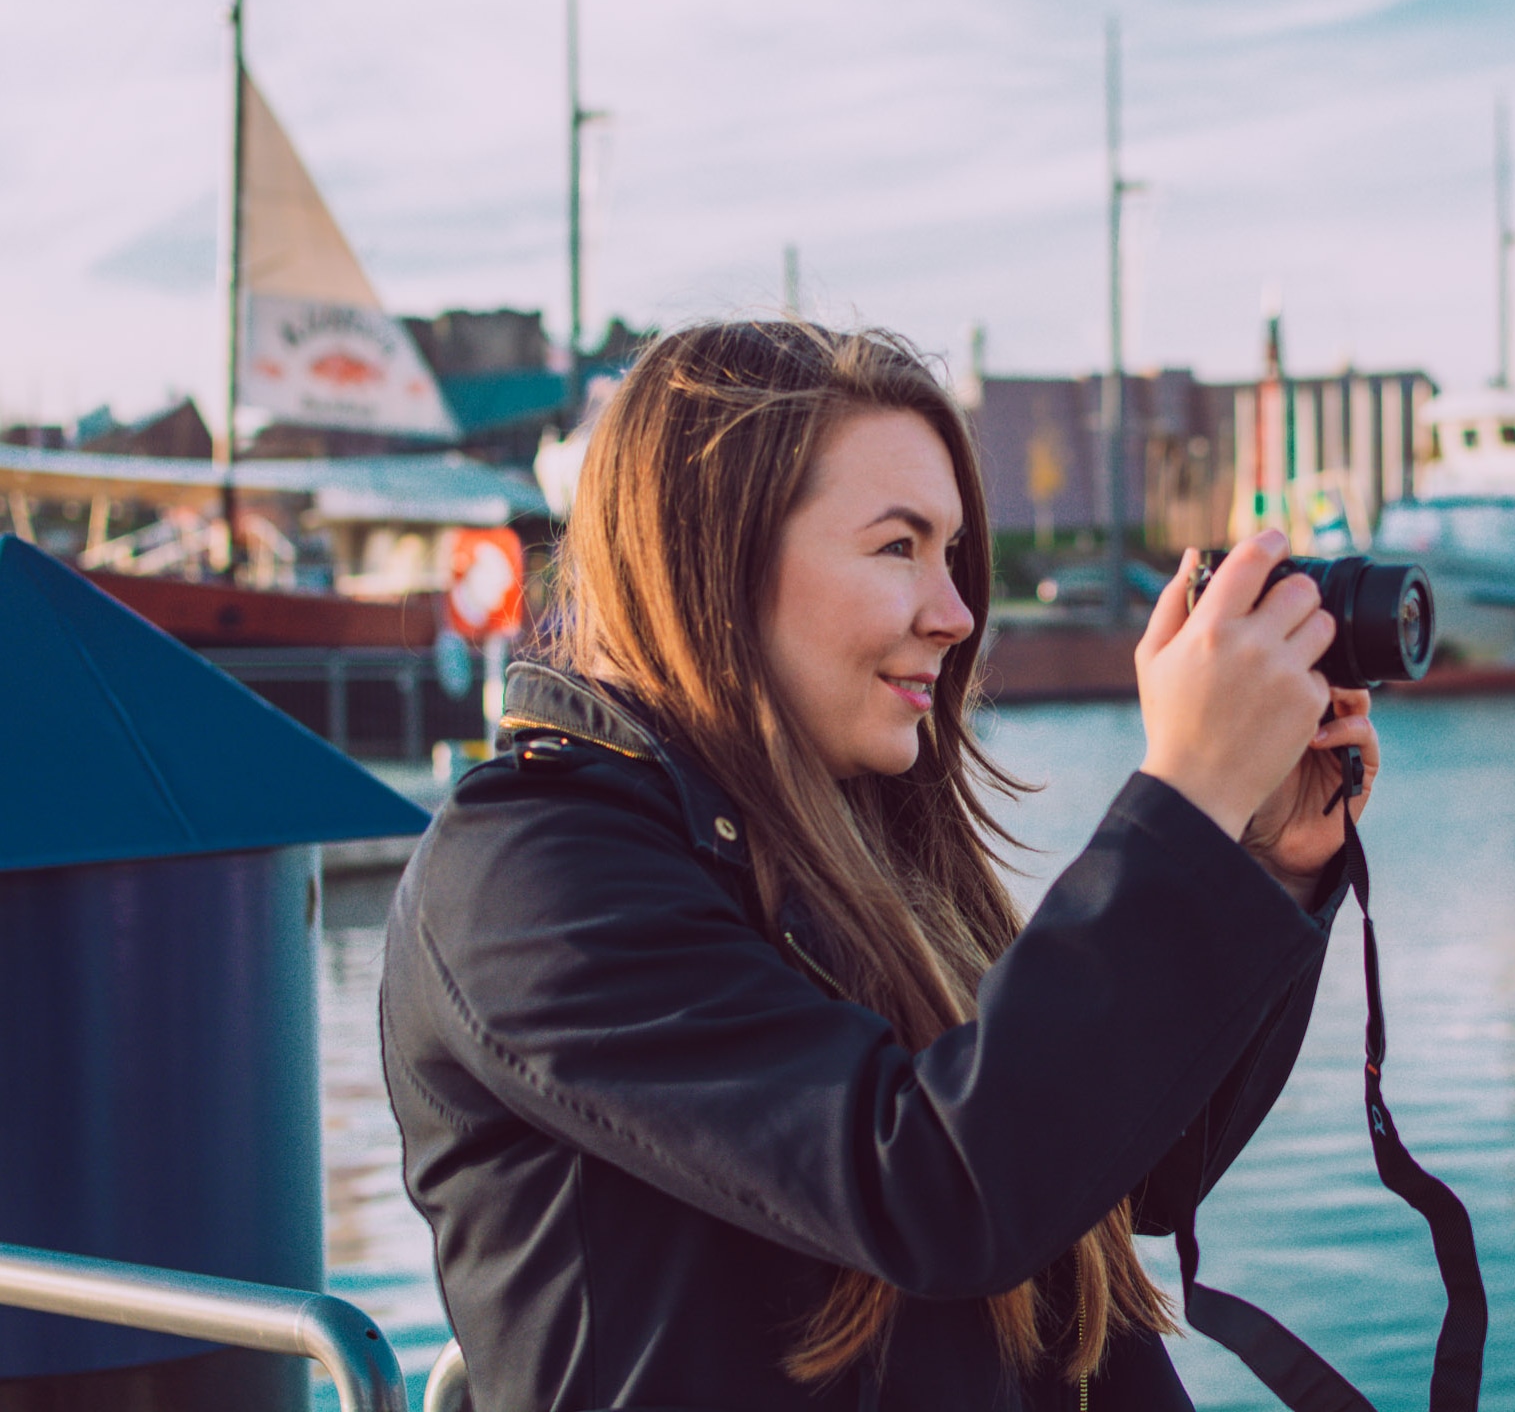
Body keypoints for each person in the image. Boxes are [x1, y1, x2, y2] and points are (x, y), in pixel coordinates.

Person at [380, 320, 1381, 1411]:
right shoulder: (528, 873)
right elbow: (937, 1187)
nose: (954, 615)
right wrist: (1185, 798)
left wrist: (1262, 862)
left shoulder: (857, 827)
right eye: (899, 547)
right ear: (714, 557)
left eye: (952, 554)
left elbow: (1126, 1172)